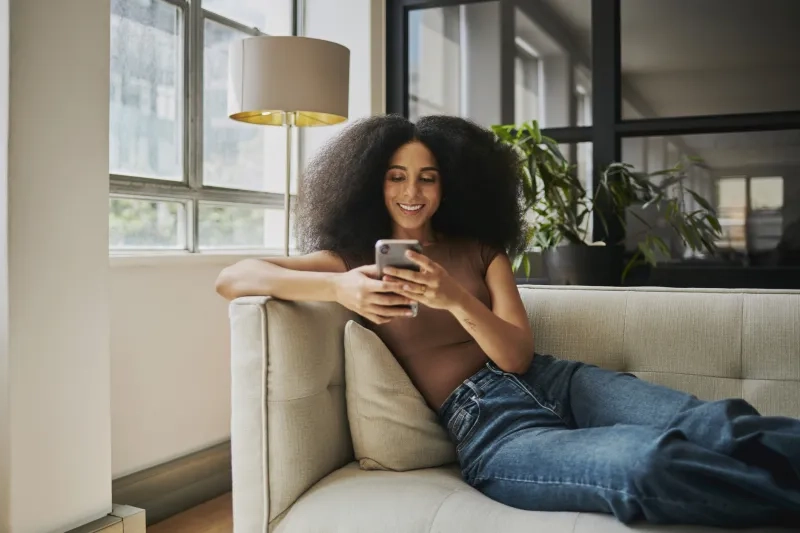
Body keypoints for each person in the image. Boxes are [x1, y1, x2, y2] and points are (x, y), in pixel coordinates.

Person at [216, 115, 800, 528]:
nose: (412, 191)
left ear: (449, 185)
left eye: (428, 176)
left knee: (718, 424)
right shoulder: (352, 261)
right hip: (494, 431)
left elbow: (517, 357)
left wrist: (453, 297)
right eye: (396, 175)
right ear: (373, 181)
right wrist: (338, 285)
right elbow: (234, 278)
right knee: (650, 463)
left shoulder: (481, 250)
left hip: (558, 381)